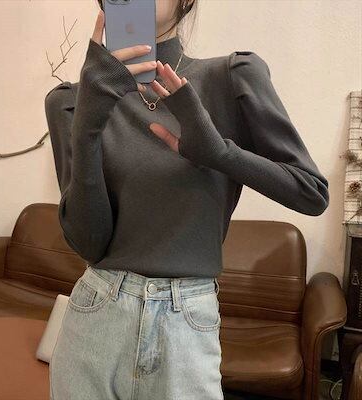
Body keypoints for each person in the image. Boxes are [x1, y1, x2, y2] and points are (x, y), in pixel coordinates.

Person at [44, 0, 329, 399]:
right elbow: (89, 243)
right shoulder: (72, 100)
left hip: (186, 326)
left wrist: (219, 153)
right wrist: (88, 124)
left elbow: (311, 193)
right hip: (96, 315)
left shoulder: (231, 78)